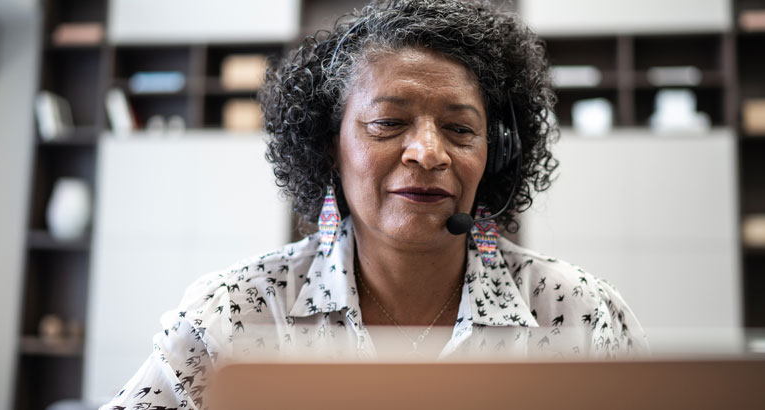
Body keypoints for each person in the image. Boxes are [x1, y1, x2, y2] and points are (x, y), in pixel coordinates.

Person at [102, 1, 648, 409]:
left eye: (460, 129)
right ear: (328, 146)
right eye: (388, 123)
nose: (428, 152)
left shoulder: (579, 315)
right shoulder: (232, 315)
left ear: (497, 153)